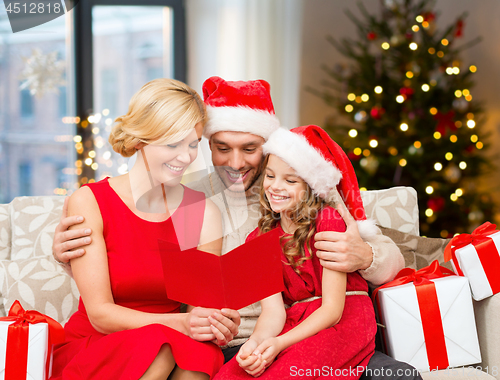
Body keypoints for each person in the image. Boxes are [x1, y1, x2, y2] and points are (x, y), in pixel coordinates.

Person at [53, 77, 420, 380]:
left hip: (305, 333)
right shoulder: (192, 198)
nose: (235, 162)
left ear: (269, 146)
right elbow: (179, 292)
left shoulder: (301, 189)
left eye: (249, 148)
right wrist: (72, 257)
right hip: (232, 345)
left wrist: (366, 255)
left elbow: (391, 259)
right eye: (220, 147)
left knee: (398, 377)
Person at [50, 78, 240, 380]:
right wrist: (183, 325)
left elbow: (196, 306)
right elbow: (101, 315)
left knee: (200, 354)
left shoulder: (197, 212)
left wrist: (211, 320)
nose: (186, 157)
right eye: (173, 144)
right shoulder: (92, 202)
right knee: (160, 346)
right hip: (100, 343)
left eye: (193, 144)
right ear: (141, 139)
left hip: (171, 339)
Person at [215, 125, 377, 379]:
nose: (275, 187)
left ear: (310, 186)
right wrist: (255, 344)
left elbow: (333, 311)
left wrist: (280, 344)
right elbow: (273, 312)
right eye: (270, 176)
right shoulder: (257, 239)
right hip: (295, 321)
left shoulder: (328, 221)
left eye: (290, 180)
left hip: (343, 321)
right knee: (231, 374)